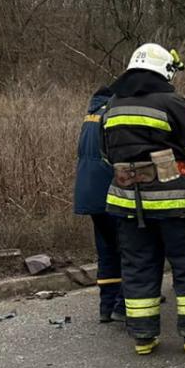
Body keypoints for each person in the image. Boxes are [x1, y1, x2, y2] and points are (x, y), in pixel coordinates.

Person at [101, 43, 185, 355]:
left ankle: (143, 336)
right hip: (176, 202)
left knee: (138, 266)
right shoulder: (170, 101)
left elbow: (106, 154)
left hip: (128, 203)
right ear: (165, 70)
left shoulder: (112, 105)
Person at [74, 85, 124, 323]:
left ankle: (107, 305)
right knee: (128, 248)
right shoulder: (113, 114)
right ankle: (125, 303)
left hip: (89, 192)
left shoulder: (91, 115)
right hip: (110, 191)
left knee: (107, 250)